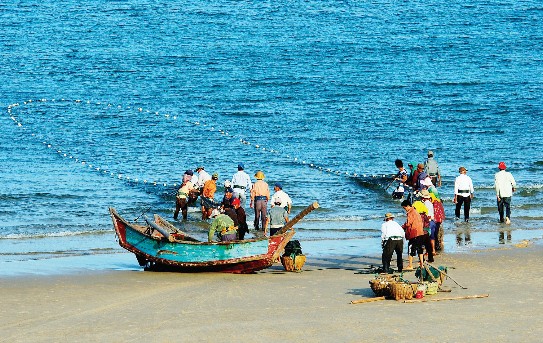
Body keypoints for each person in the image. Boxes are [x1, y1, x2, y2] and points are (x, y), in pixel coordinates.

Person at [401, 200, 425, 271]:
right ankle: (422, 264)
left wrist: (403, 226)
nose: (405, 210)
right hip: (420, 232)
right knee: (420, 249)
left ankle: (410, 265)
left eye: (404, 208)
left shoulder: (410, 213)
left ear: (408, 206)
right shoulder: (416, 212)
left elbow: (408, 223)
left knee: (411, 249)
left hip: (414, 233)